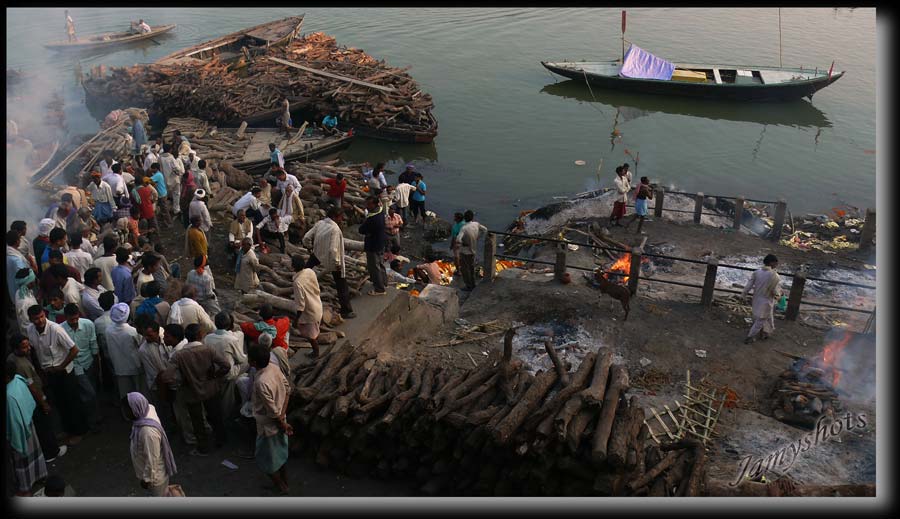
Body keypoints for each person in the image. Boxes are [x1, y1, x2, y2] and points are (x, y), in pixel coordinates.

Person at [26, 305, 88, 444]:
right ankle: (68, 430)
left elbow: (74, 350)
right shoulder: (30, 330)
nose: (40, 320)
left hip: (64, 372)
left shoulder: (55, 329)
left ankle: (80, 431)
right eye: (36, 318)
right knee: (60, 403)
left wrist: (61, 366)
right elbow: (34, 350)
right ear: (30, 319)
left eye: (42, 316)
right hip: (49, 373)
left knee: (72, 402)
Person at [169, 324, 230, 456]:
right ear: (199, 335)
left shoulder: (179, 355)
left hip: (191, 392)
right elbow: (226, 366)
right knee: (215, 416)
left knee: (197, 421)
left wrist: (181, 382)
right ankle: (221, 440)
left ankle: (203, 448)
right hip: (211, 388)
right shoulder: (208, 349)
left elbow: (168, 376)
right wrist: (215, 375)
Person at [7, 334, 66, 464]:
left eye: (28, 345)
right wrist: (43, 403)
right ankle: (52, 452)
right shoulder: (22, 365)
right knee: (44, 426)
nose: (28, 348)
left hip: (27, 399)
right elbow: (32, 387)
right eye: (24, 347)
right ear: (16, 349)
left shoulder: (12, 358)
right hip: (35, 399)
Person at [247, 342, 293, 494]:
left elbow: (272, 411)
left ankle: (281, 486)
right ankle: (285, 482)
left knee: (265, 459)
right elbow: (287, 390)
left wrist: (281, 422)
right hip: (280, 420)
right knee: (281, 455)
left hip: (269, 426)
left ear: (253, 362)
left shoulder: (261, 382)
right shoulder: (274, 367)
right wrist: (283, 417)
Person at [303, 205, 355, 318]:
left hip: (317, 254)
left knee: (305, 272)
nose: (342, 219)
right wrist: (337, 263)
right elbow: (333, 250)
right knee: (341, 284)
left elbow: (306, 237)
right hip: (330, 259)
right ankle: (346, 311)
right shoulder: (335, 229)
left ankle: (301, 289)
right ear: (335, 217)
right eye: (340, 217)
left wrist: (309, 247)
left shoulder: (320, 223)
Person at [123, 392, 178, 496]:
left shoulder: (147, 432)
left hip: (155, 479)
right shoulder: (148, 409)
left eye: (127, 409)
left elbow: (152, 460)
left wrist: (146, 479)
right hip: (154, 475)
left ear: (137, 408)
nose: (125, 413)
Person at [7, 360, 48, 496]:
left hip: (19, 432)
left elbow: (14, 422)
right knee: (35, 454)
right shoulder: (18, 380)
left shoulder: (8, 395)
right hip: (29, 422)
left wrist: (14, 440)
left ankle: (25, 489)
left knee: (22, 462)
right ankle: (40, 476)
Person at [61, 304, 101, 431]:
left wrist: (96, 364)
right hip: (75, 364)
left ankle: (94, 417)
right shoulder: (60, 329)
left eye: (76, 318)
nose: (74, 321)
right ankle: (91, 422)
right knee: (89, 393)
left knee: (90, 392)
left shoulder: (88, 324)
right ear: (66, 317)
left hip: (89, 362)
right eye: (71, 319)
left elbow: (93, 344)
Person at [204, 312, 247, 419]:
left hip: (212, 372)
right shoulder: (231, 339)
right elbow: (241, 359)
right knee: (247, 360)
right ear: (229, 325)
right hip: (226, 374)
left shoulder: (208, 338)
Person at [105, 302, 146, 400]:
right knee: (139, 393)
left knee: (125, 395)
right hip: (136, 366)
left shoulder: (108, 330)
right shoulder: (132, 331)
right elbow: (142, 346)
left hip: (119, 367)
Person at [742, 254, 784, 344]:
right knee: (760, 321)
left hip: (756, 299)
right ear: (771, 263)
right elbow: (775, 290)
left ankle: (766, 332)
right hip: (766, 301)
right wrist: (779, 296)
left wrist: (743, 295)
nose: (776, 265)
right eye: (776, 263)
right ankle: (750, 337)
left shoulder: (757, 272)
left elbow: (748, 285)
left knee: (766, 317)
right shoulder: (774, 275)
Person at [291, 256, 323, 358]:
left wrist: (296, 319)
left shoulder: (297, 282)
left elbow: (301, 304)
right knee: (314, 330)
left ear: (293, 267)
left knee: (310, 336)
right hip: (317, 304)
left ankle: (316, 353)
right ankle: (315, 351)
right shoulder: (310, 271)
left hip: (309, 312)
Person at [359, 196, 387, 296]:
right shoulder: (381, 212)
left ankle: (379, 289)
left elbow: (361, 230)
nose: (367, 206)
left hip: (373, 245)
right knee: (381, 264)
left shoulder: (372, 218)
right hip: (381, 242)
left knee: (374, 267)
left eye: (369, 204)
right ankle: (384, 283)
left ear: (374, 204)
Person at [458, 210, 488, 291]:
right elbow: (485, 230)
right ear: (472, 218)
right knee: (471, 268)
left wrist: (463, 243)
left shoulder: (464, 228)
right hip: (473, 250)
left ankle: (468, 286)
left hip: (465, 251)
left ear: (464, 218)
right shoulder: (476, 224)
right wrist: (477, 237)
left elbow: (458, 239)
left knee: (465, 269)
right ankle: (473, 284)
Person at [7, 229, 32, 305]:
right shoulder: (17, 259)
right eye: (19, 239)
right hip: (21, 292)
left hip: (12, 286)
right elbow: (23, 279)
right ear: (17, 241)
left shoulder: (9, 253)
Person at [159, 144, 183, 216]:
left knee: (165, 195)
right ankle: (176, 209)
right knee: (176, 194)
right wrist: (178, 173)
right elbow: (177, 168)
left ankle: (165, 211)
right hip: (174, 179)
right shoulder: (171, 158)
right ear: (170, 150)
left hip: (164, 179)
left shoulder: (160, 158)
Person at [14, 268, 40, 334]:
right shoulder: (25, 302)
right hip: (32, 333)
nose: (35, 280)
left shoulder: (19, 292)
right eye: (34, 279)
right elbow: (27, 323)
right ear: (30, 282)